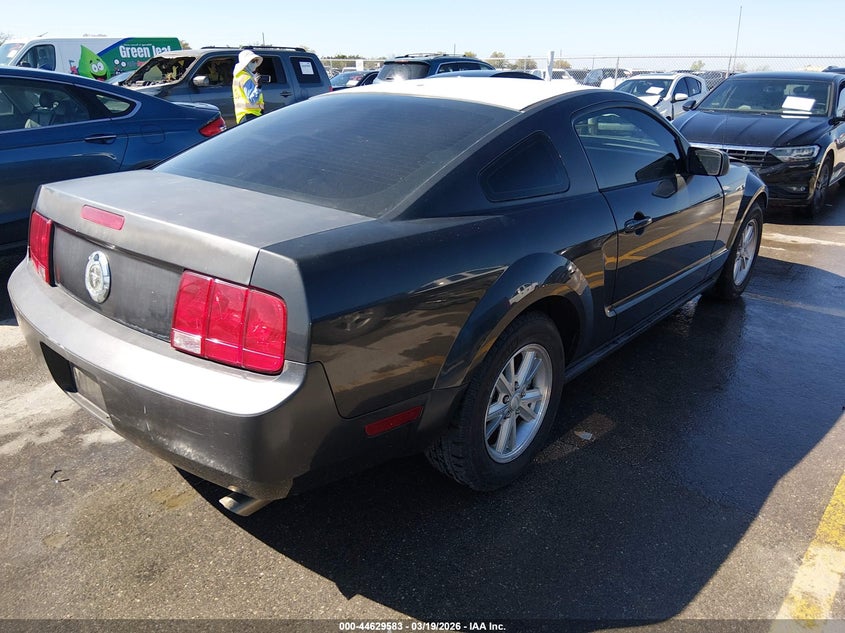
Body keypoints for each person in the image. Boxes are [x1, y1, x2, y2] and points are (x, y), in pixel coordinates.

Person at [232, 50, 264, 124]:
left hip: (243, 116)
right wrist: (258, 87)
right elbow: (252, 100)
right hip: (250, 115)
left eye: (256, 61)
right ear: (246, 63)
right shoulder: (246, 78)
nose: (255, 63)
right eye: (253, 61)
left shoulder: (238, 76)